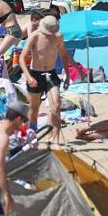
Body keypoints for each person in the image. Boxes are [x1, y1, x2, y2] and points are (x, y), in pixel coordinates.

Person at [18, 15, 73, 144]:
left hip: (51, 73)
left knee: (57, 104)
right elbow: (22, 58)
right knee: (34, 108)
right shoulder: (35, 36)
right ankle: (32, 136)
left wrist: (68, 74)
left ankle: (55, 139)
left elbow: (64, 55)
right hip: (35, 73)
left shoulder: (58, 37)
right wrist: (28, 76)